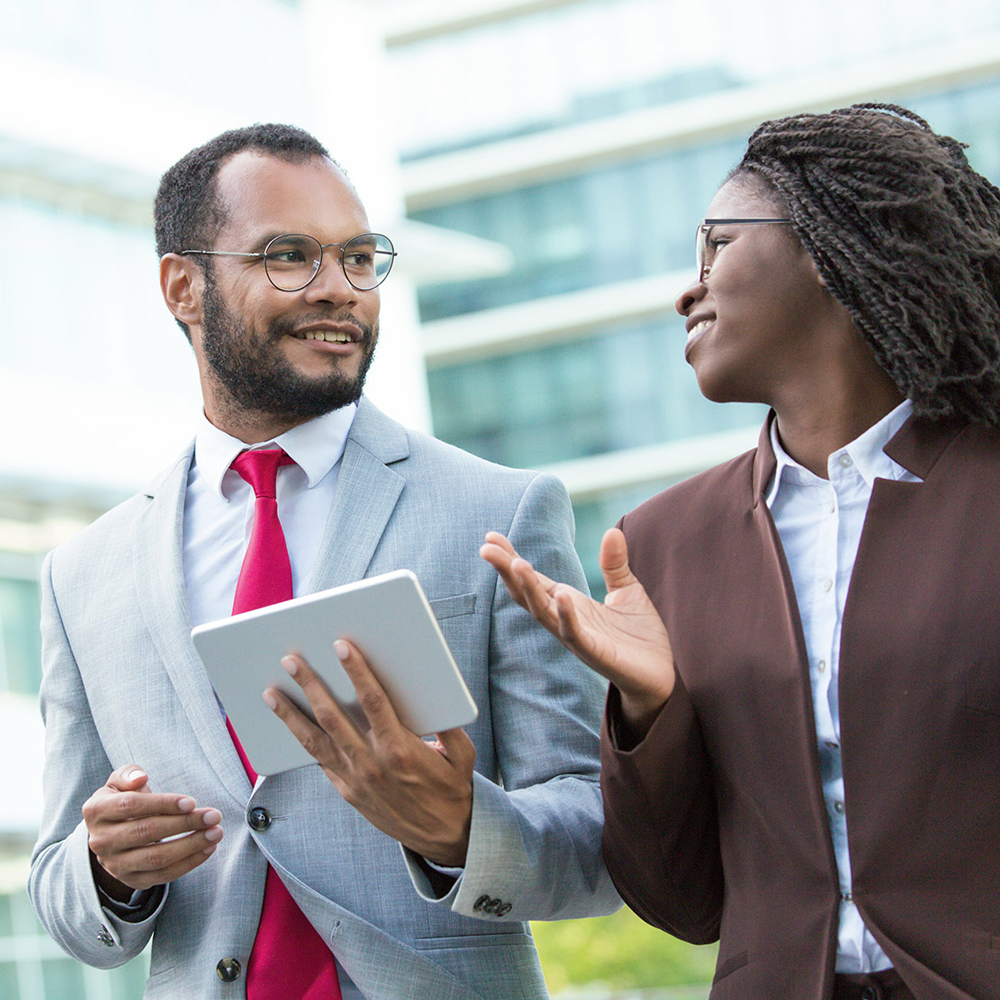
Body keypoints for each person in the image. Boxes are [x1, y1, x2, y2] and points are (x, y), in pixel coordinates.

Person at [28, 123, 620, 1000]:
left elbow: (602, 842)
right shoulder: (83, 576)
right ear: (184, 287)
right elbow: (59, 894)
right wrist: (108, 868)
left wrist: (460, 827)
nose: (339, 291)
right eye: (289, 257)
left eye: (357, 258)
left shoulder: (498, 511)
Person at [482, 103, 1000, 1000]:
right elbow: (682, 901)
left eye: (718, 244)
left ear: (836, 243)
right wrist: (649, 713)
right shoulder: (657, 548)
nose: (690, 288)